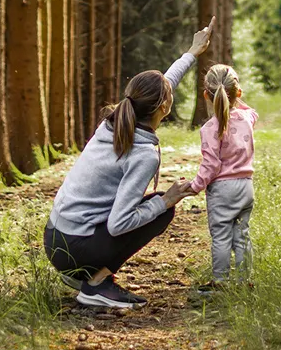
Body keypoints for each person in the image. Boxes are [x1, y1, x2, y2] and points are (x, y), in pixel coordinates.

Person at [44, 17, 215, 309]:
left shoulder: (114, 121)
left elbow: (164, 83)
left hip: (55, 238)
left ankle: (85, 273)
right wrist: (166, 200)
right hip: (74, 248)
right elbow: (119, 223)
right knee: (161, 211)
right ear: (164, 106)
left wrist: (191, 52)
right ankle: (94, 285)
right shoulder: (142, 155)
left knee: (154, 205)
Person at [184, 64, 257, 288]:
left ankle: (221, 282)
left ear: (206, 95)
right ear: (238, 93)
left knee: (222, 237)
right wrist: (235, 96)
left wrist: (195, 186)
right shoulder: (247, 119)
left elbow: (211, 165)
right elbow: (250, 110)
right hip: (246, 187)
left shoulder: (209, 128)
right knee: (242, 236)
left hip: (222, 190)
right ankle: (246, 281)